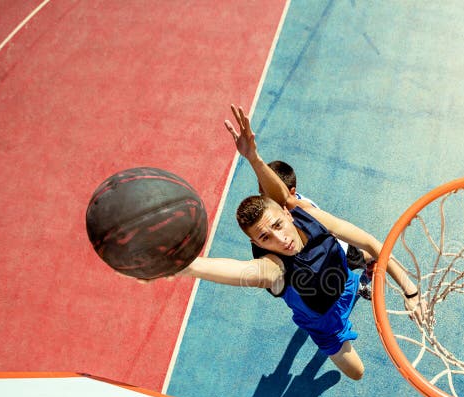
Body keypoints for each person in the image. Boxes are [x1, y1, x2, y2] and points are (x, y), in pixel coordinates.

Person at [175, 105, 422, 381]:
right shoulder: (274, 267)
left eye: (278, 225)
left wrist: (410, 290)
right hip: (322, 321)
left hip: (345, 283)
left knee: (362, 256)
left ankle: (357, 287)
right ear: (255, 242)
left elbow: (372, 243)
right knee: (357, 373)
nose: (280, 240)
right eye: (265, 238)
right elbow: (245, 272)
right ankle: (327, 352)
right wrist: (190, 266)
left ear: (286, 212)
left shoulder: (307, 214)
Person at [259, 159, 374, 299]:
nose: (264, 199)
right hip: (330, 250)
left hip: (338, 250)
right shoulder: (286, 207)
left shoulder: (300, 211)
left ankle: (368, 270)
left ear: (292, 192)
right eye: (261, 193)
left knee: (356, 264)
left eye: (268, 194)